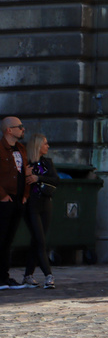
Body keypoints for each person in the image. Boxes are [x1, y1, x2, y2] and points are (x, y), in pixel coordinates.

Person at [21, 134, 58, 288]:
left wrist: (38, 179)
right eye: (45, 143)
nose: (47, 146)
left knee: (37, 240)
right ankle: (48, 275)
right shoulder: (26, 163)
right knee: (40, 240)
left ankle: (28, 275)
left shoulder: (47, 163)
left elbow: (56, 180)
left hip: (46, 203)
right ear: (37, 146)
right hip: (31, 204)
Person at [1, 116, 33, 290]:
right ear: (9, 130)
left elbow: (24, 174)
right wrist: (3, 196)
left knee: (8, 241)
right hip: (5, 200)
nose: (23, 129)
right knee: (1, 238)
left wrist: (25, 195)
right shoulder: (0, 149)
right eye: (19, 127)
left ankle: (5, 277)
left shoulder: (21, 149)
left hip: (18, 200)